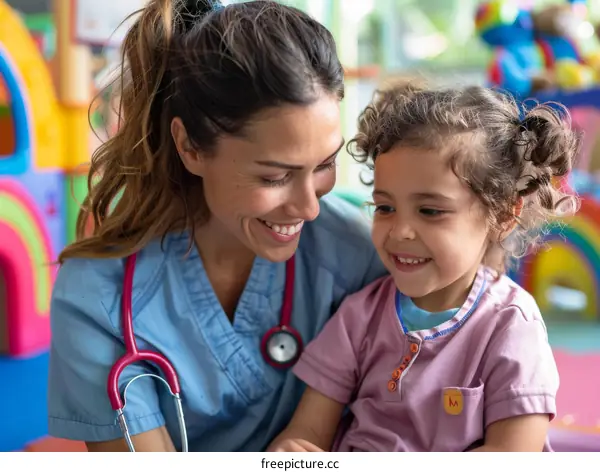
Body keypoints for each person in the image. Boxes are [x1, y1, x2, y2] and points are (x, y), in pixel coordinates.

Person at [47, 0, 387, 452]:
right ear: (190, 147)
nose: (309, 208)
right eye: (274, 176)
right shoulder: (98, 299)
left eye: (325, 165)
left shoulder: (360, 251)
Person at [267, 82, 581, 452]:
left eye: (430, 211)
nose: (399, 231)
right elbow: (306, 433)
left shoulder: (510, 327)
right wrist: (289, 452)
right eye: (385, 207)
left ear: (502, 213)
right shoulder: (359, 316)